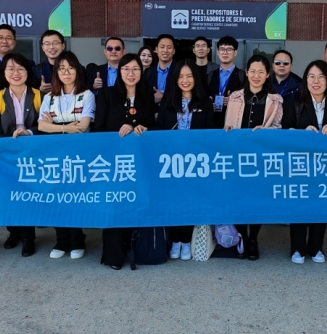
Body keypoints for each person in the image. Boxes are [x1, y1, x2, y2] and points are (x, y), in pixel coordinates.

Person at [93, 54, 156, 269]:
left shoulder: (147, 96)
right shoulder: (107, 94)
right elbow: (99, 128)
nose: (131, 73)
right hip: (113, 162)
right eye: (126, 69)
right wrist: (123, 126)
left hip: (139, 162)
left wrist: (143, 128)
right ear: (119, 71)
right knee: (114, 205)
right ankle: (114, 256)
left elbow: (153, 126)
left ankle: (136, 249)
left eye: (135, 69)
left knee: (135, 203)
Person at [282, 60, 327, 264]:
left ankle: (316, 247)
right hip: (300, 165)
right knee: (300, 206)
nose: (316, 81)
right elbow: (284, 130)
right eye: (311, 76)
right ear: (305, 80)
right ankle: (298, 248)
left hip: (326, 166)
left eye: (321, 77)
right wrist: (301, 133)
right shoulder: (295, 102)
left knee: (321, 205)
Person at [224, 55, 284, 260]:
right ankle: (241, 235)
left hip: (261, 158)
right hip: (237, 156)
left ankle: (253, 239)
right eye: (252, 71)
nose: (256, 76)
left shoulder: (275, 100)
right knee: (238, 197)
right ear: (247, 73)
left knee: (257, 198)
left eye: (261, 72)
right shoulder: (235, 97)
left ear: (267, 74)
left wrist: (267, 132)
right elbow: (227, 124)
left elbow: (279, 127)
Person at [37, 51, 94, 260]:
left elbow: (83, 126)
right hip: (54, 155)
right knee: (56, 197)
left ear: (77, 71)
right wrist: (66, 127)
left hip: (78, 155)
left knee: (74, 197)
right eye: (62, 69)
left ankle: (77, 239)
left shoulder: (87, 95)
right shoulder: (49, 97)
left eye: (70, 68)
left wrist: (54, 125)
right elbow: (40, 126)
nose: (66, 73)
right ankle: (61, 239)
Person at [157, 59, 215, 260]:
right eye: (181, 76)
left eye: (189, 76)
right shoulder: (168, 102)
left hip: (196, 163)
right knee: (174, 201)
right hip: (171, 163)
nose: (185, 80)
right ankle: (175, 240)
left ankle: (187, 240)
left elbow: (210, 133)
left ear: (196, 78)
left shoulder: (204, 103)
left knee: (191, 201)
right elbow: (160, 131)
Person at [0, 53, 41, 257]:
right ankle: (13, 232)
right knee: (9, 194)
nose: (15, 73)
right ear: (3, 73)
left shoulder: (39, 96)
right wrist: (12, 143)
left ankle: (28, 238)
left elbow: (44, 126)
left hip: (32, 154)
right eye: (10, 69)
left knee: (27, 196)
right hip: (6, 155)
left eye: (20, 68)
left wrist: (29, 133)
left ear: (28, 72)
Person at [208, 36, 246, 129]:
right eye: (222, 49)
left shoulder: (242, 76)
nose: (225, 52)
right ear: (218, 52)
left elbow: (248, 99)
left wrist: (234, 101)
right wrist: (208, 104)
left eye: (229, 49)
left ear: (235, 53)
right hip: (212, 123)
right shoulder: (210, 75)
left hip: (233, 124)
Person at [144, 34, 177, 107]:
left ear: (174, 51)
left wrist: (164, 97)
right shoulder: (148, 72)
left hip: (172, 112)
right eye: (162, 47)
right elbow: (143, 96)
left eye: (169, 47)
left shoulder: (180, 70)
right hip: (152, 113)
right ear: (156, 49)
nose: (165, 50)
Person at [33, 30, 66, 95]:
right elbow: (30, 92)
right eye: (47, 44)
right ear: (42, 47)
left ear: (63, 46)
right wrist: (40, 90)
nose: (51, 47)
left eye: (55, 43)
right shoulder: (36, 70)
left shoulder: (77, 68)